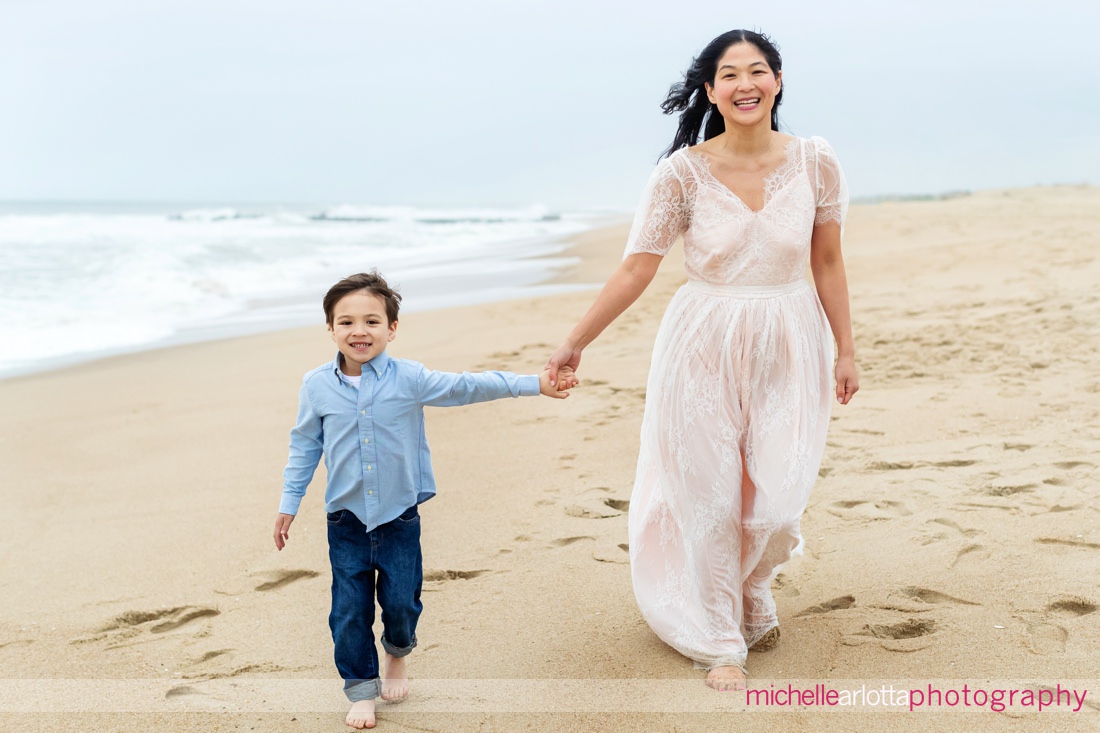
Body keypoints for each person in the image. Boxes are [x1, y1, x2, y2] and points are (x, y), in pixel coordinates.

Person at [546, 29, 858, 691]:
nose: (745, 85)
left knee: (777, 497)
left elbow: (827, 261)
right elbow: (637, 268)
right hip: (701, 342)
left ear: (777, 80)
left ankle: (752, 586)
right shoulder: (682, 172)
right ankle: (720, 637)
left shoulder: (815, 162)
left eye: (757, 71)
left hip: (791, 336)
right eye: (729, 75)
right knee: (709, 495)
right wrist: (576, 341)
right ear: (710, 90)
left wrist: (846, 350)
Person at [274, 270, 575, 730]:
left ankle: (397, 653)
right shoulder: (316, 385)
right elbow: (304, 446)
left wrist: (534, 383)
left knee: (400, 603)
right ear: (330, 328)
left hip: (399, 518)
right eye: (347, 321)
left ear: (392, 329)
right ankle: (359, 688)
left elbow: (467, 387)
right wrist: (289, 502)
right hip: (345, 521)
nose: (360, 331)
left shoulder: (409, 377)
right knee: (348, 609)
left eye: (372, 321)